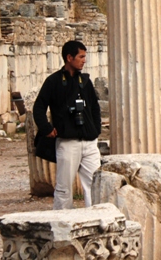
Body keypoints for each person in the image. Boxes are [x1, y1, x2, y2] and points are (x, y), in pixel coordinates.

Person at [32, 40, 101, 210]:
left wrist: (96, 129)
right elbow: (39, 107)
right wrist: (46, 129)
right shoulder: (54, 81)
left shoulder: (85, 81)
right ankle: (62, 226)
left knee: (96, 186)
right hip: (67, 142)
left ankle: (97, 220)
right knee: (63, 189)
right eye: (81, 56)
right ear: (69, 57)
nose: (84, 60)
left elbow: (94, 107)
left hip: (89, 142)